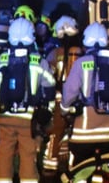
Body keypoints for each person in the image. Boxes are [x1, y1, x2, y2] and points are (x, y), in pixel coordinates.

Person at [0, 16, 56, 183]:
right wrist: (47, 110)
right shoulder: (39, 62)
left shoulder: (0, 60)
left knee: (4, 156)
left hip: (4, 117)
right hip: (29, 120)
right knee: (28, 156)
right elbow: (50, 85)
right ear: (32, 36)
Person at [59, 21, 109, 167]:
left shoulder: (81, 63)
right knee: (106, 169)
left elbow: (69, 92)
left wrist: (64, 110)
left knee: (81, 169)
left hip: (84, 131)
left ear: (85, 41)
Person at [41, 14, 83, 174]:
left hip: (59, 102)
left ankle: (50, 169)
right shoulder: (82, 53)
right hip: (79, 102)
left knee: (55, 133)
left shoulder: (53, 53)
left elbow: (48, 79)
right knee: (74, 134)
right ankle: (71, 168)